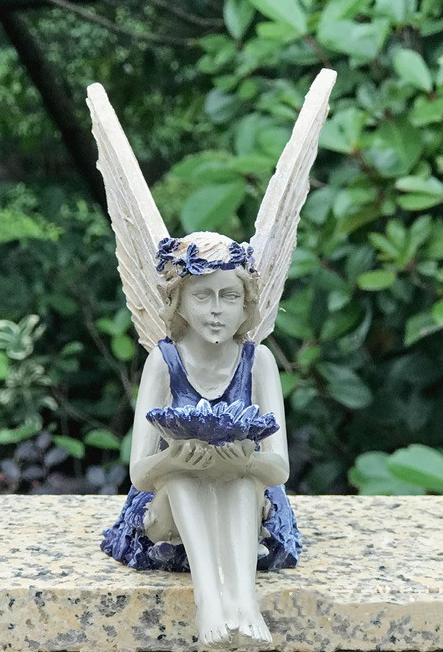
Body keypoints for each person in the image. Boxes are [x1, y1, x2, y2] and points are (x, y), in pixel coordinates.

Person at [101, 232, 301, 648]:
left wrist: (246, 462)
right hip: (170, 511)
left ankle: (243, 601)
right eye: (202, 296)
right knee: (181, 476)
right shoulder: (164, 361)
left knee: (241, 479)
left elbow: (279, 468)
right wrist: (174, 459)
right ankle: (208, 601)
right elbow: (140, 473)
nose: (216, 310)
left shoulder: (259, 361)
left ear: (246, 304)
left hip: (247, 502)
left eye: (229, 297)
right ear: (178, 302)